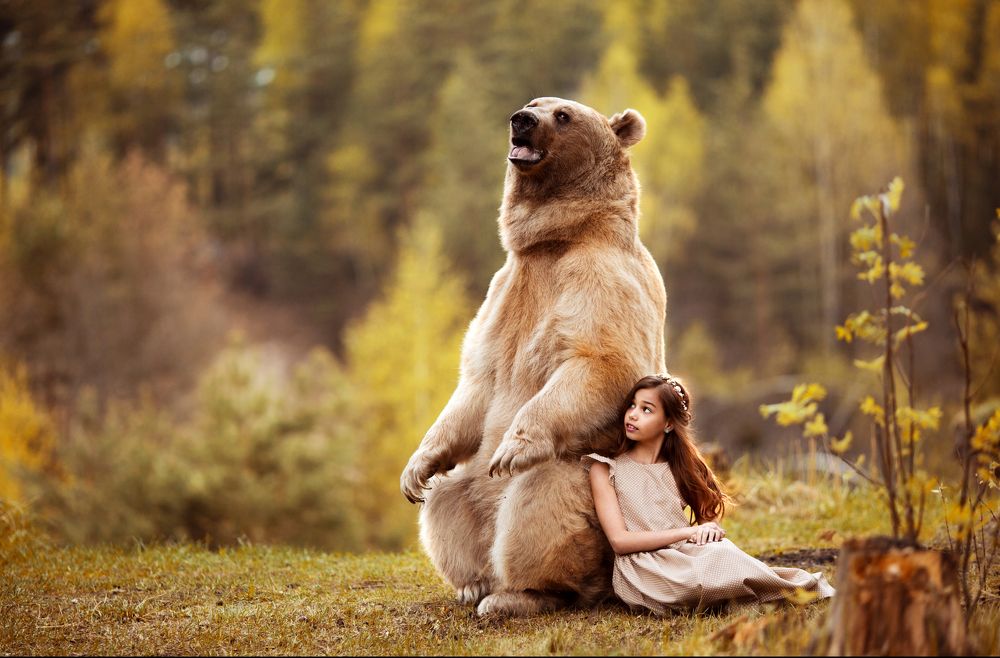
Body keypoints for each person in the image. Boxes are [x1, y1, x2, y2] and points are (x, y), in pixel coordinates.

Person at [584, 374, 835, 615]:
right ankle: (740, 595)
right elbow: (619, 541)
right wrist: (688, 532)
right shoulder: (605, 468)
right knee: (700, 578)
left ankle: (787, 589)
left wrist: (708, 529)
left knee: (721, 552)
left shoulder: (680, 466)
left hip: (685, 554)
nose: (633, 415)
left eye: (646, 409)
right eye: (632, 405)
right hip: (643, 569)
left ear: (669, 423)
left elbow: (708, 514)